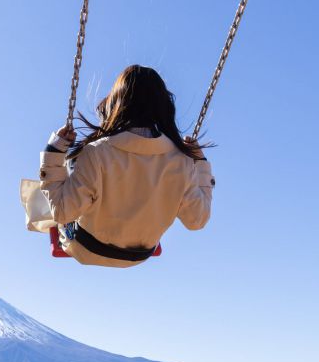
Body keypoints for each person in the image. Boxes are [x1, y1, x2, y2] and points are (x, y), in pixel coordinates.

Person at [28, 64, 213, 267]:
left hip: (87, 248)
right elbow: (197, 220)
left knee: (45, 188)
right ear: (164, 107)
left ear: (115, 103)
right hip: (138, 255)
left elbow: (63, 213)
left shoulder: (96, 152)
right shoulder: (183, 161)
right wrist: (200, 164)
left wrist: (53, 153)